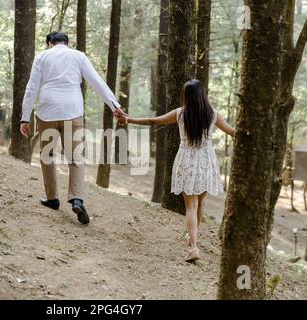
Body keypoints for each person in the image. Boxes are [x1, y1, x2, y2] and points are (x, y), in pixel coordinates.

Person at [117, 79, 235, 262]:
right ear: (203, 95)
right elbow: (233, 131)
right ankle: (193, 237)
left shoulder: (181, 114)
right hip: (206, 161)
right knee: (200, 203)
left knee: (191, 205)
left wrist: (128, 119)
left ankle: (193, 246)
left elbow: (153, 120)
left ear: (186, 96)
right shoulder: (213, 115)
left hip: (186, 159)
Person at [20, 31, 126, 225]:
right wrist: (114, 106)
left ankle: (52, 198)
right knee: (76, 157)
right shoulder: (78, 56)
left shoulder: (42, 56)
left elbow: (31, 87)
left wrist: (24, 118)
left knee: (47, 155)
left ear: (49, 43)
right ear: (66, 43)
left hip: (47, 111)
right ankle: (77, 198)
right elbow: (97, 81)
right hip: (73, 111)